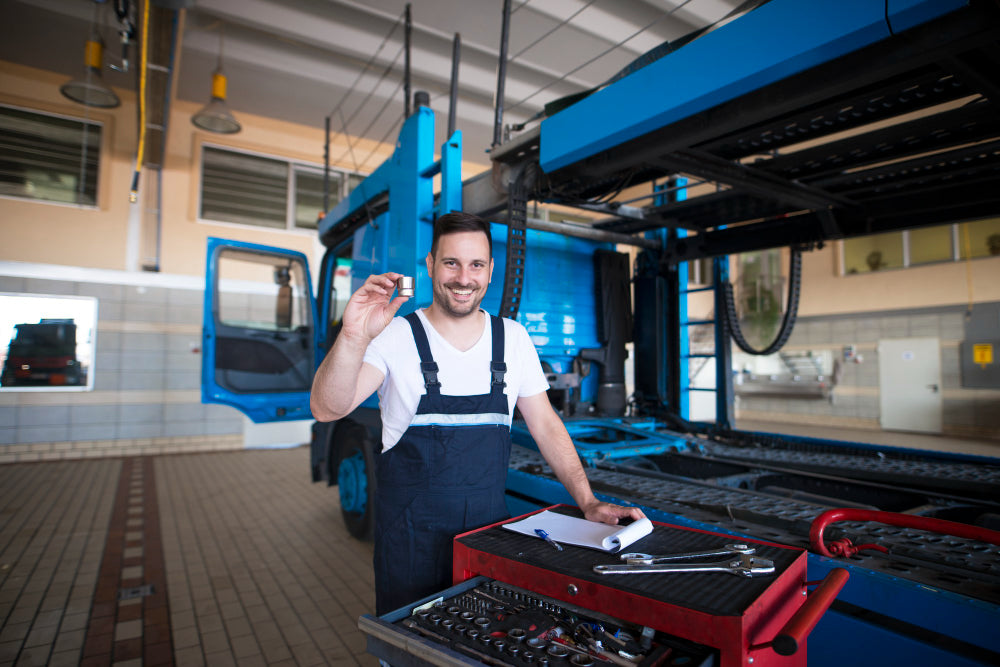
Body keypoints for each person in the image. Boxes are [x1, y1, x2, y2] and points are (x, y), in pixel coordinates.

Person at [311, 211, 646, 615]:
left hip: (488, 542)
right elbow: (327, 408)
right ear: (431, 264)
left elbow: (545, 424)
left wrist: (588, 501)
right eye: (451, 262)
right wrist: (353, 335)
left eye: (476, 265)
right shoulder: (397, 336)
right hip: (411, 547)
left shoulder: (513, 339)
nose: (464, 278)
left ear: (490, 272)